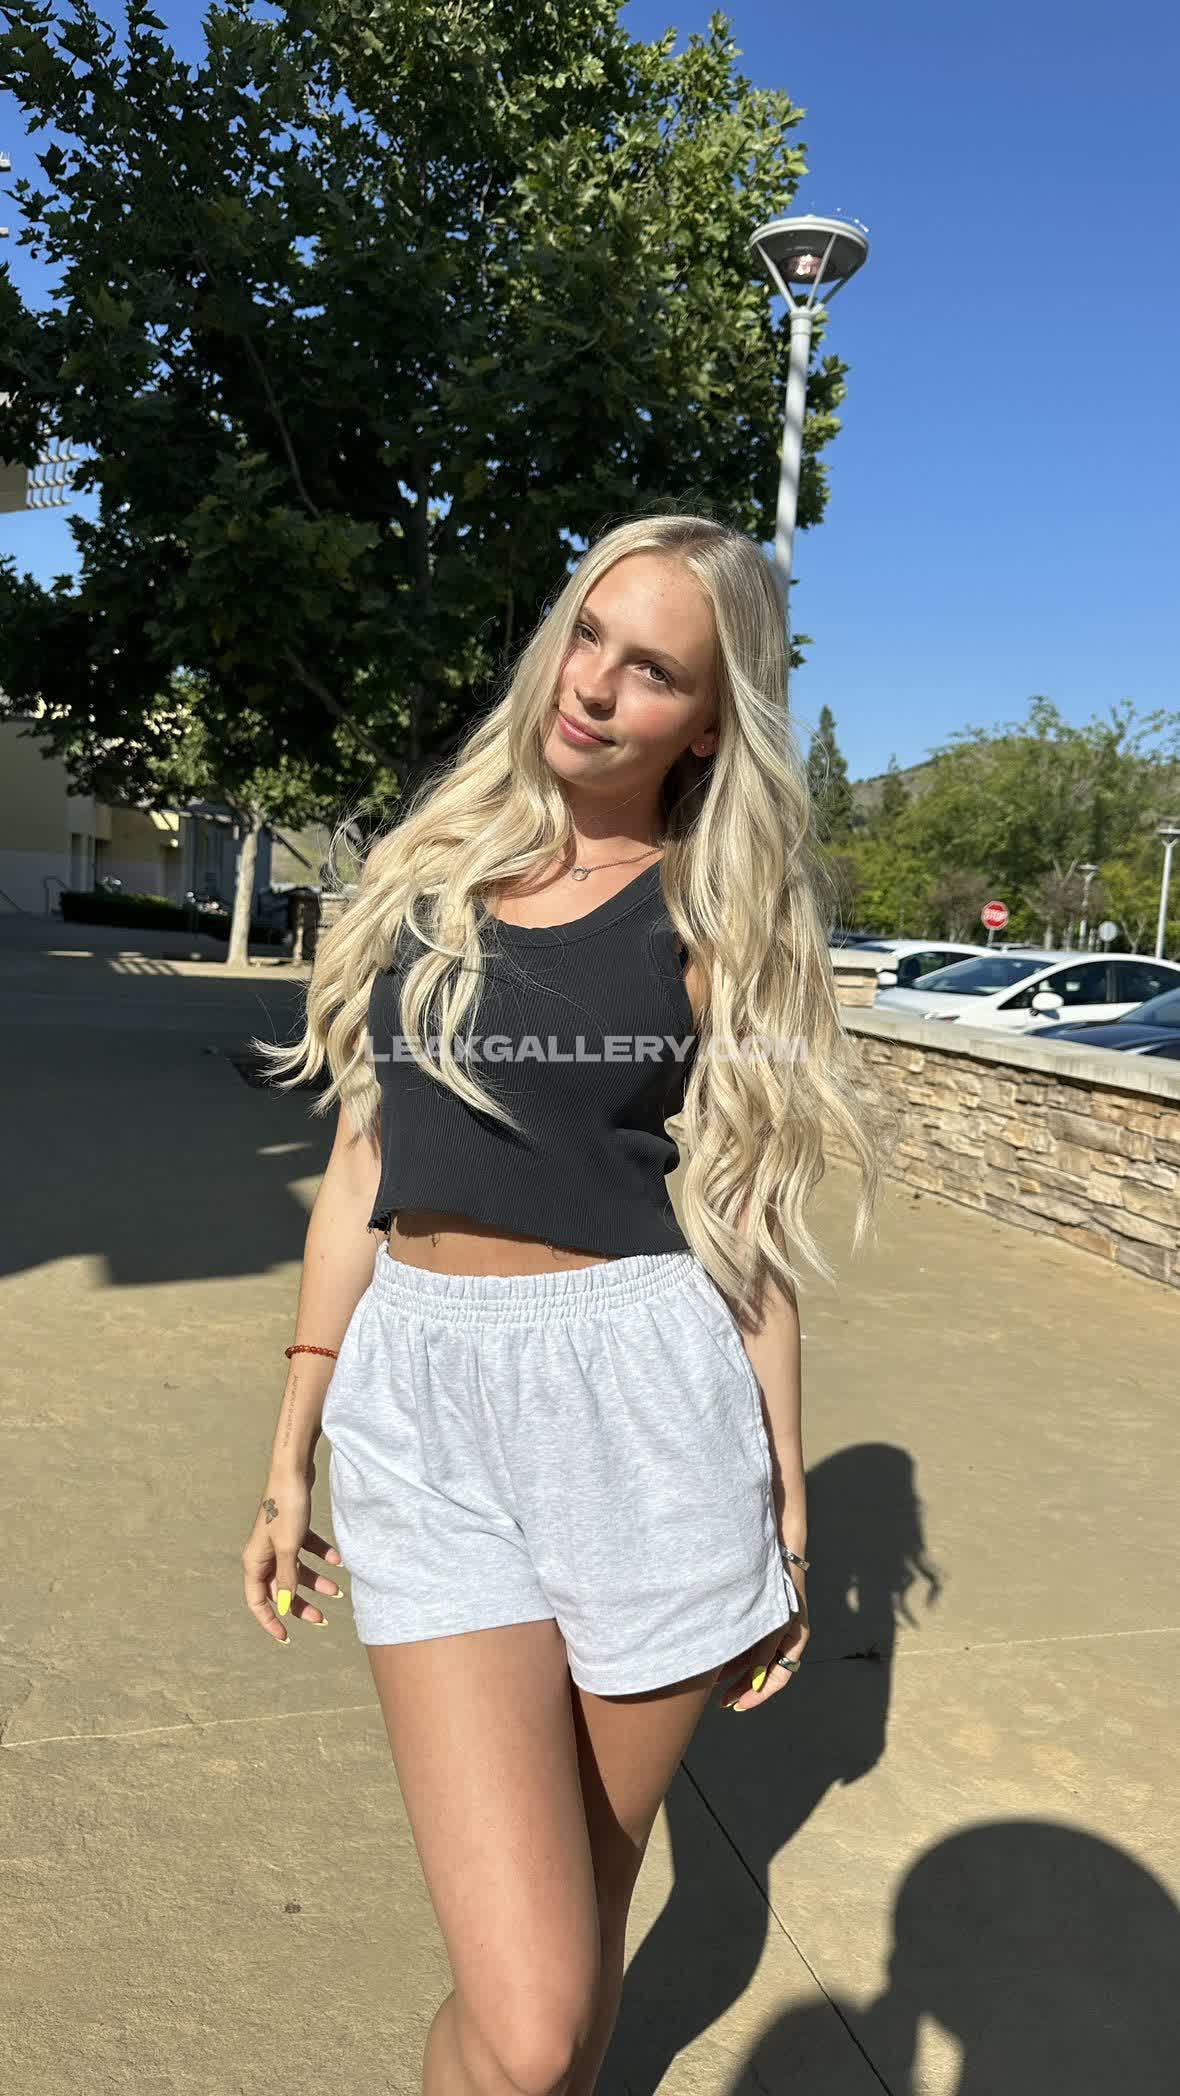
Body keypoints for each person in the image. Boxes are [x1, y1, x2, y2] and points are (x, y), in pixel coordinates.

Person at [240, 510, 895, 2096]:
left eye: (653, 669)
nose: (595, 686)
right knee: (528, 2010)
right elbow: (362, 1164)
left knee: (576, 1957)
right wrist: (291, 1442)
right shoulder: (422, 873)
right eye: (588, 635)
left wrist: (787, 1503)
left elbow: (742, 1222)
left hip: (642, 1411)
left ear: (711, 723)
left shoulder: (717, 924)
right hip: (422, 1402)